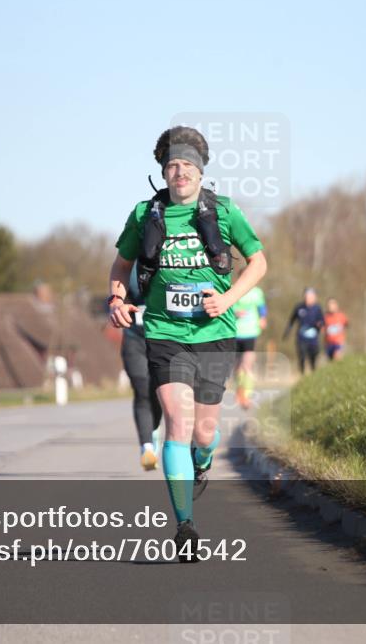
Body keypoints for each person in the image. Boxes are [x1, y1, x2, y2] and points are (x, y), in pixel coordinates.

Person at [108, 125, 267, 562]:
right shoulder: (145, 214)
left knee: (204, 432)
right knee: (177, 423)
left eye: (186, 165)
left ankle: (203, 459)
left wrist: (228, 299)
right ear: (163, 172)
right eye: (172, 166)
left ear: (200, 172)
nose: (179, 172)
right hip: (165, 333)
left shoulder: (224, 210)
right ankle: (185, 526)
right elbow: (120, 266)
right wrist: (117, 299)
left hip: (215, 334)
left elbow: (258, 262)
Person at [120, 263, 163, 470]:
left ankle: (153, 431)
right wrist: (118, 304)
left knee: (158, 390)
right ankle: (147, 447)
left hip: (164, 339)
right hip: (134, 339)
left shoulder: (170, 258)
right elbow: (116, 293)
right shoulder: (129, 263)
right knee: (142, 388)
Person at [232, 284, 267, 409]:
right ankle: (239, 391)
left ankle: (247, 396)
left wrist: (263, 318)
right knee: (237, 368)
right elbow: (227, 307)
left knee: (247, 366)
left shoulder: (257, 292)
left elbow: (262, 307)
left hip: (250, 332)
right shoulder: (233, 289)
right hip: (235, 332)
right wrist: (234, 312)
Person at [283, 287, 324, 374]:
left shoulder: (317, 308)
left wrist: (320, 325)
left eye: (310, 296)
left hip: (313, 338)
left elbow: (322, 321)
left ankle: (313, 372)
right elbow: (291, 320)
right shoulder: (299, 307)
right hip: (301, 337)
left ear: (314, 297)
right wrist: (287, 332)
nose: (308, 298)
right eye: (306, 296)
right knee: (301, 355)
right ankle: (302, 373)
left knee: (313, 356)